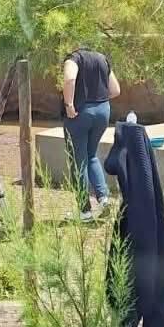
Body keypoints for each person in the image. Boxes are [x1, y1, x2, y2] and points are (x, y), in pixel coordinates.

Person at [62, 47, 122, 220]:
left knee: (78, 162)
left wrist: (69, 104)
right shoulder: (102, 59)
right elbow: (115, 90)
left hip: (80, 114)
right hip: (103, 112)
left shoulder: (73, 58)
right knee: (91, 156)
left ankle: (84, 211)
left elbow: (70, 79)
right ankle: (104, 199)